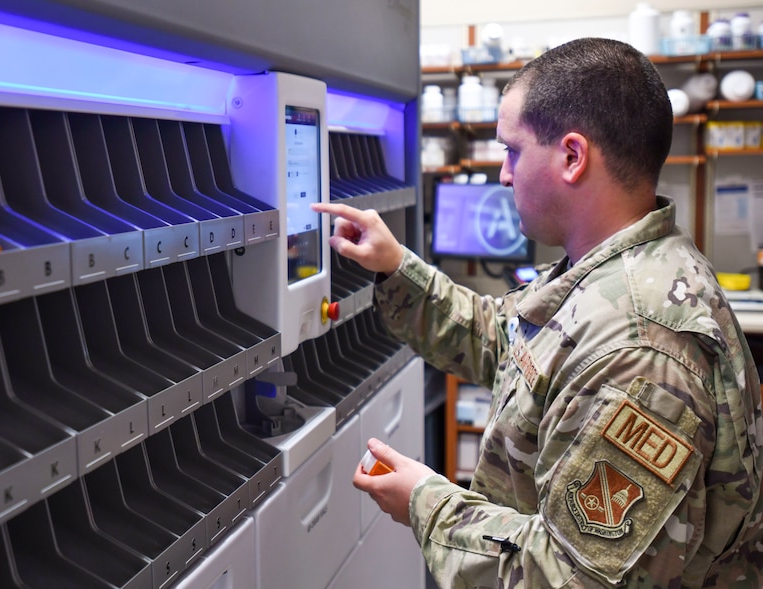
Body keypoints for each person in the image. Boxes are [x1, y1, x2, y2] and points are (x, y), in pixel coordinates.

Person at [312, 37, 763, 588]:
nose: (503, 174)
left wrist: (426, 502)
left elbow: (565, 578)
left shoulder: (641, 353)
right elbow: (503, 342)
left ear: (572, 156)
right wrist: (393, 266)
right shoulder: (607, 273)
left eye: (513, 150)